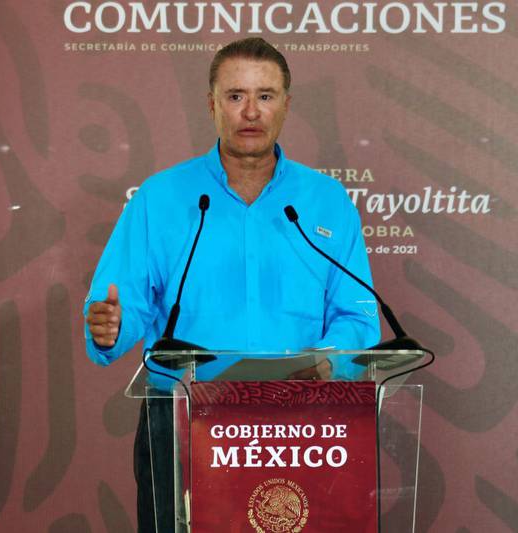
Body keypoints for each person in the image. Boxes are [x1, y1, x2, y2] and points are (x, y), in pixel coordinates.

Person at [83, 37, 380, 532]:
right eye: (236, 95)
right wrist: (111, 328)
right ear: (212, 104)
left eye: (265, 96)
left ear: (286, 104)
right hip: (182, 420)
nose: (251, 111)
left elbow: (358, 315)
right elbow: (124, 304)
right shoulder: (161, 197)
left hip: (303, 423)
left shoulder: (327, 201)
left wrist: (328, 358)